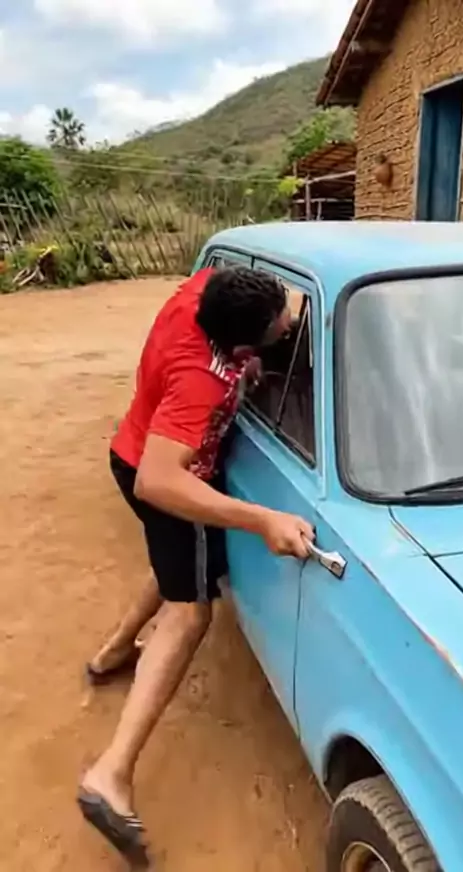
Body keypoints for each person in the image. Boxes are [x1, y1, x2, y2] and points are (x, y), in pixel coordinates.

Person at [77, 265, 314, 867]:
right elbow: (160, 482)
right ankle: (111, 774)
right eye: (281, 328)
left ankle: (113, 652)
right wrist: (262, 519)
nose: (289, 324)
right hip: (164, 477)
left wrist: (248, 358)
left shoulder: (207, 287)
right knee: (190, 611)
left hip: (129, 448)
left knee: (174, 565)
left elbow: (272, 306)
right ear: (238, 342)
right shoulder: (200, 382)